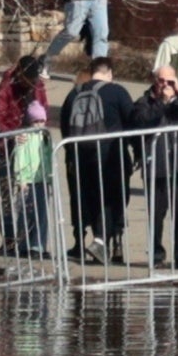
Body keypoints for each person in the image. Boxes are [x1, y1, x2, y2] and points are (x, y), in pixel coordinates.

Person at [60, 51, 144, 262]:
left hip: (80, 156)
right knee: (113, 199)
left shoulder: (74, 94)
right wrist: (138, 151)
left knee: (85, 199)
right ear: (110, 73)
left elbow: (65, 127)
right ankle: (111, 243)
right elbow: (132, 121)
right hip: (111, 156)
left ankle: (81, 243)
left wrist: (70, 155)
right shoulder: (117, 92)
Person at [0, 52, 55, 260]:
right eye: (29, 81)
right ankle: (10, 240)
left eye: (35, 81)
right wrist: (11, 135)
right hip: (8, 147)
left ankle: (34, 242)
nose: (32, 85)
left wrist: (39, 130)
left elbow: (42, 111)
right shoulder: (6, 87)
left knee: (35, 195)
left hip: (32, 147)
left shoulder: (38, 87)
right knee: (9, 195)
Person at [137, 61, 178, 270]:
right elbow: (143, 120)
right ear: (154, 81)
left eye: (169, 81)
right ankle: (156, 255)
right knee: (156, 215)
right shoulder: (145, 101)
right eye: (161, 80)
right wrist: (162, 103)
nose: (165, 85)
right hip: (155, 166)